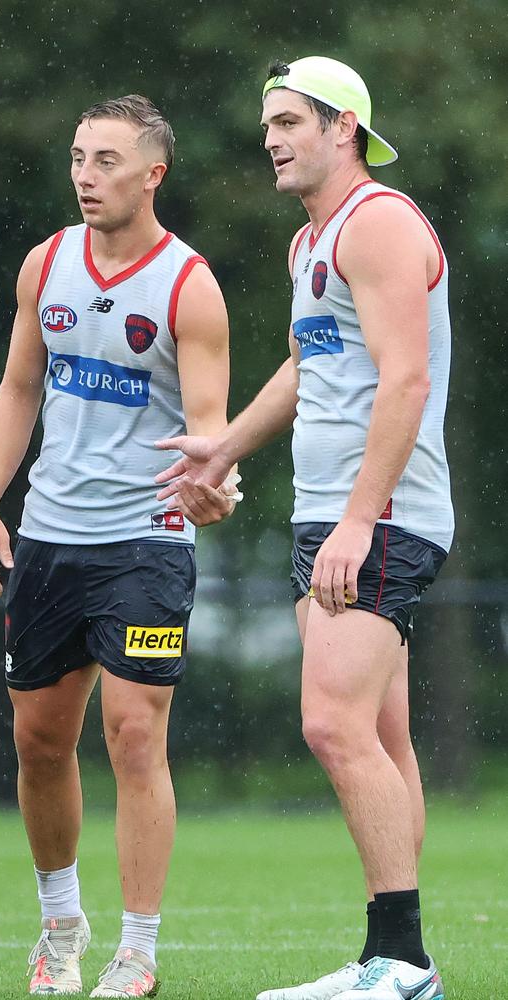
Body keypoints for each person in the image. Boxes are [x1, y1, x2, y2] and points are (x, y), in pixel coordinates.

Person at [155, 56, 453, 1000]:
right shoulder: (309, 243)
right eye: (267, 125)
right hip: (328, 513)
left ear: (344, 128)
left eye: (289, 121)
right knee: (381, 736)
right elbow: (304, 364)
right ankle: (405, 963)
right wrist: (223, 449)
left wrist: (362, 522)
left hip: (378, 517)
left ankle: (398, 962)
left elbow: (404, 379)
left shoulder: (382, 226)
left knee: (330, 725)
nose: (271, 139)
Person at [0, 94, 239, 997]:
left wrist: (210, 491)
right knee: (39, 743)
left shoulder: (188, 286)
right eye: (79, 157)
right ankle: (59, 925)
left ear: (153, 173)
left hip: (145, 546)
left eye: (108, 161)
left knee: (133, 736)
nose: (87, 176)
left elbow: (209, 432)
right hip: (47, 540)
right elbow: (16, 391)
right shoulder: (45, 264)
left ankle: (138, 950)